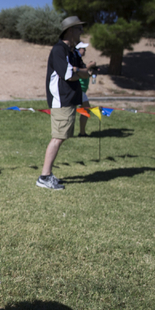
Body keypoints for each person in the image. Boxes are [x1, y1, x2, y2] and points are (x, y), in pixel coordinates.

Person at [37, 16, 96, 190]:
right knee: (58, 138)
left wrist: (83, 70)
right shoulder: (59, 50)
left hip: (69, 100)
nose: (82, 32)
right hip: (61, 100)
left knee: (60, 137)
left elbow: (83, 71)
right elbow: (69, 74)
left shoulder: (72, 51)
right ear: (70, 30)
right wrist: (82, 71)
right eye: (79, 29)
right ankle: (44, 176)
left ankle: (47, 175)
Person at [75, 41, 93, 137]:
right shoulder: (75, 58)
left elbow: (82, 73)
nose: (85, 50)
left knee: (85, 109)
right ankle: (81, 133)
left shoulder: (79, 60)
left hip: (81, 90)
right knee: (85, 109)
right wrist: (89, 66)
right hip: (78, 89)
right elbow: (76, 70)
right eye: (83, 48)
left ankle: (82, 132)